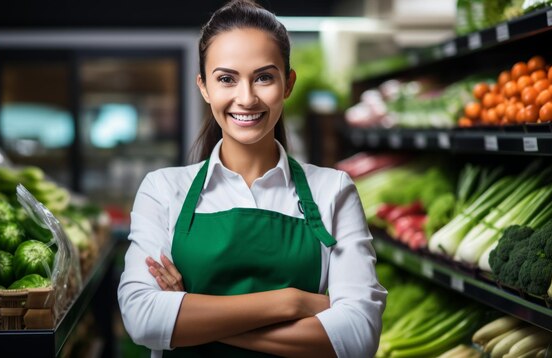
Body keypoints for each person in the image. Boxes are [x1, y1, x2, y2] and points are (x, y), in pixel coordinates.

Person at [117, 1, 387, 356]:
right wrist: (291, 303)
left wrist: (191, 316)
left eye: (263, 77)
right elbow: (142, 318)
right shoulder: (163, 190)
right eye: (226, 79)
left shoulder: (332, 191)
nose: (246, 98)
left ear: (287, 84)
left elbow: (358, 336)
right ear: (204, 87)